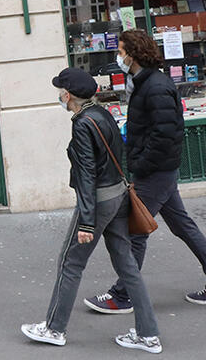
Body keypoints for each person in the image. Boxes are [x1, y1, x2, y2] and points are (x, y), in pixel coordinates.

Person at [21, 67, 162, 354]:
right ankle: (149, 335)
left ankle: (53, 328)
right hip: (118, 195)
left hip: (97, 203)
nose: (59, 94)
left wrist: (86, 223)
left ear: (69, 94)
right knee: (127, 265)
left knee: (70, 263)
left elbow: (87, 175)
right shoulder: (103, 113)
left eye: (61, 90)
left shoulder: (83, 123)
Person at [85, 29, 206, 312]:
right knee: (183, 226)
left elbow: (166, 136)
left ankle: (123, 295)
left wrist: (140, 165)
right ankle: (124, 293)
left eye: (122, 51)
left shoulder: (156, 86)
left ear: (133, 54)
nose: (119, 57)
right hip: (159, 171)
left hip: (155, 172)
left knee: (135, 231)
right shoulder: (142, 83)